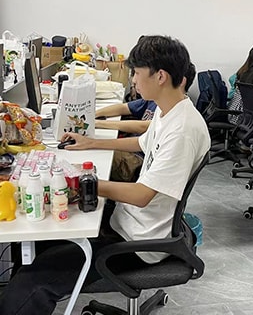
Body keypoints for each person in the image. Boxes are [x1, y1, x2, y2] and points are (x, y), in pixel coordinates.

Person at [0, 35, 210, 315]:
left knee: (32, 283)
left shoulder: (182, 129)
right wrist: (91, 142)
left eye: (136, 73)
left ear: (160, 76)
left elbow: (142, 195)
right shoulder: (170, 112)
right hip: (128, 221)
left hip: (138, 243)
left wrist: (81, 183)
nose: (133, 80)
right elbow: (141, 143)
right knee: (38, 240)